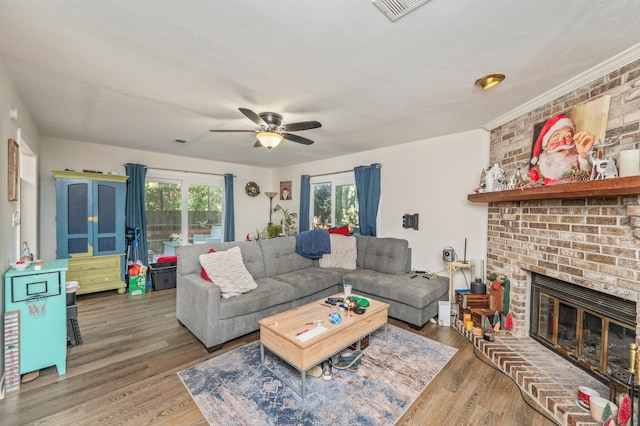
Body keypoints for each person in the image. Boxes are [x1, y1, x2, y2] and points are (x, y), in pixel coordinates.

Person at [529, 114, 595, 184]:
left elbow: (590, 180)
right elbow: (527, 185)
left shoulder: (578, 162)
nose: (562, 143)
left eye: (567, 137)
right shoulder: (540, 169)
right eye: (556, 140)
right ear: (546, 146)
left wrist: (584, 156)